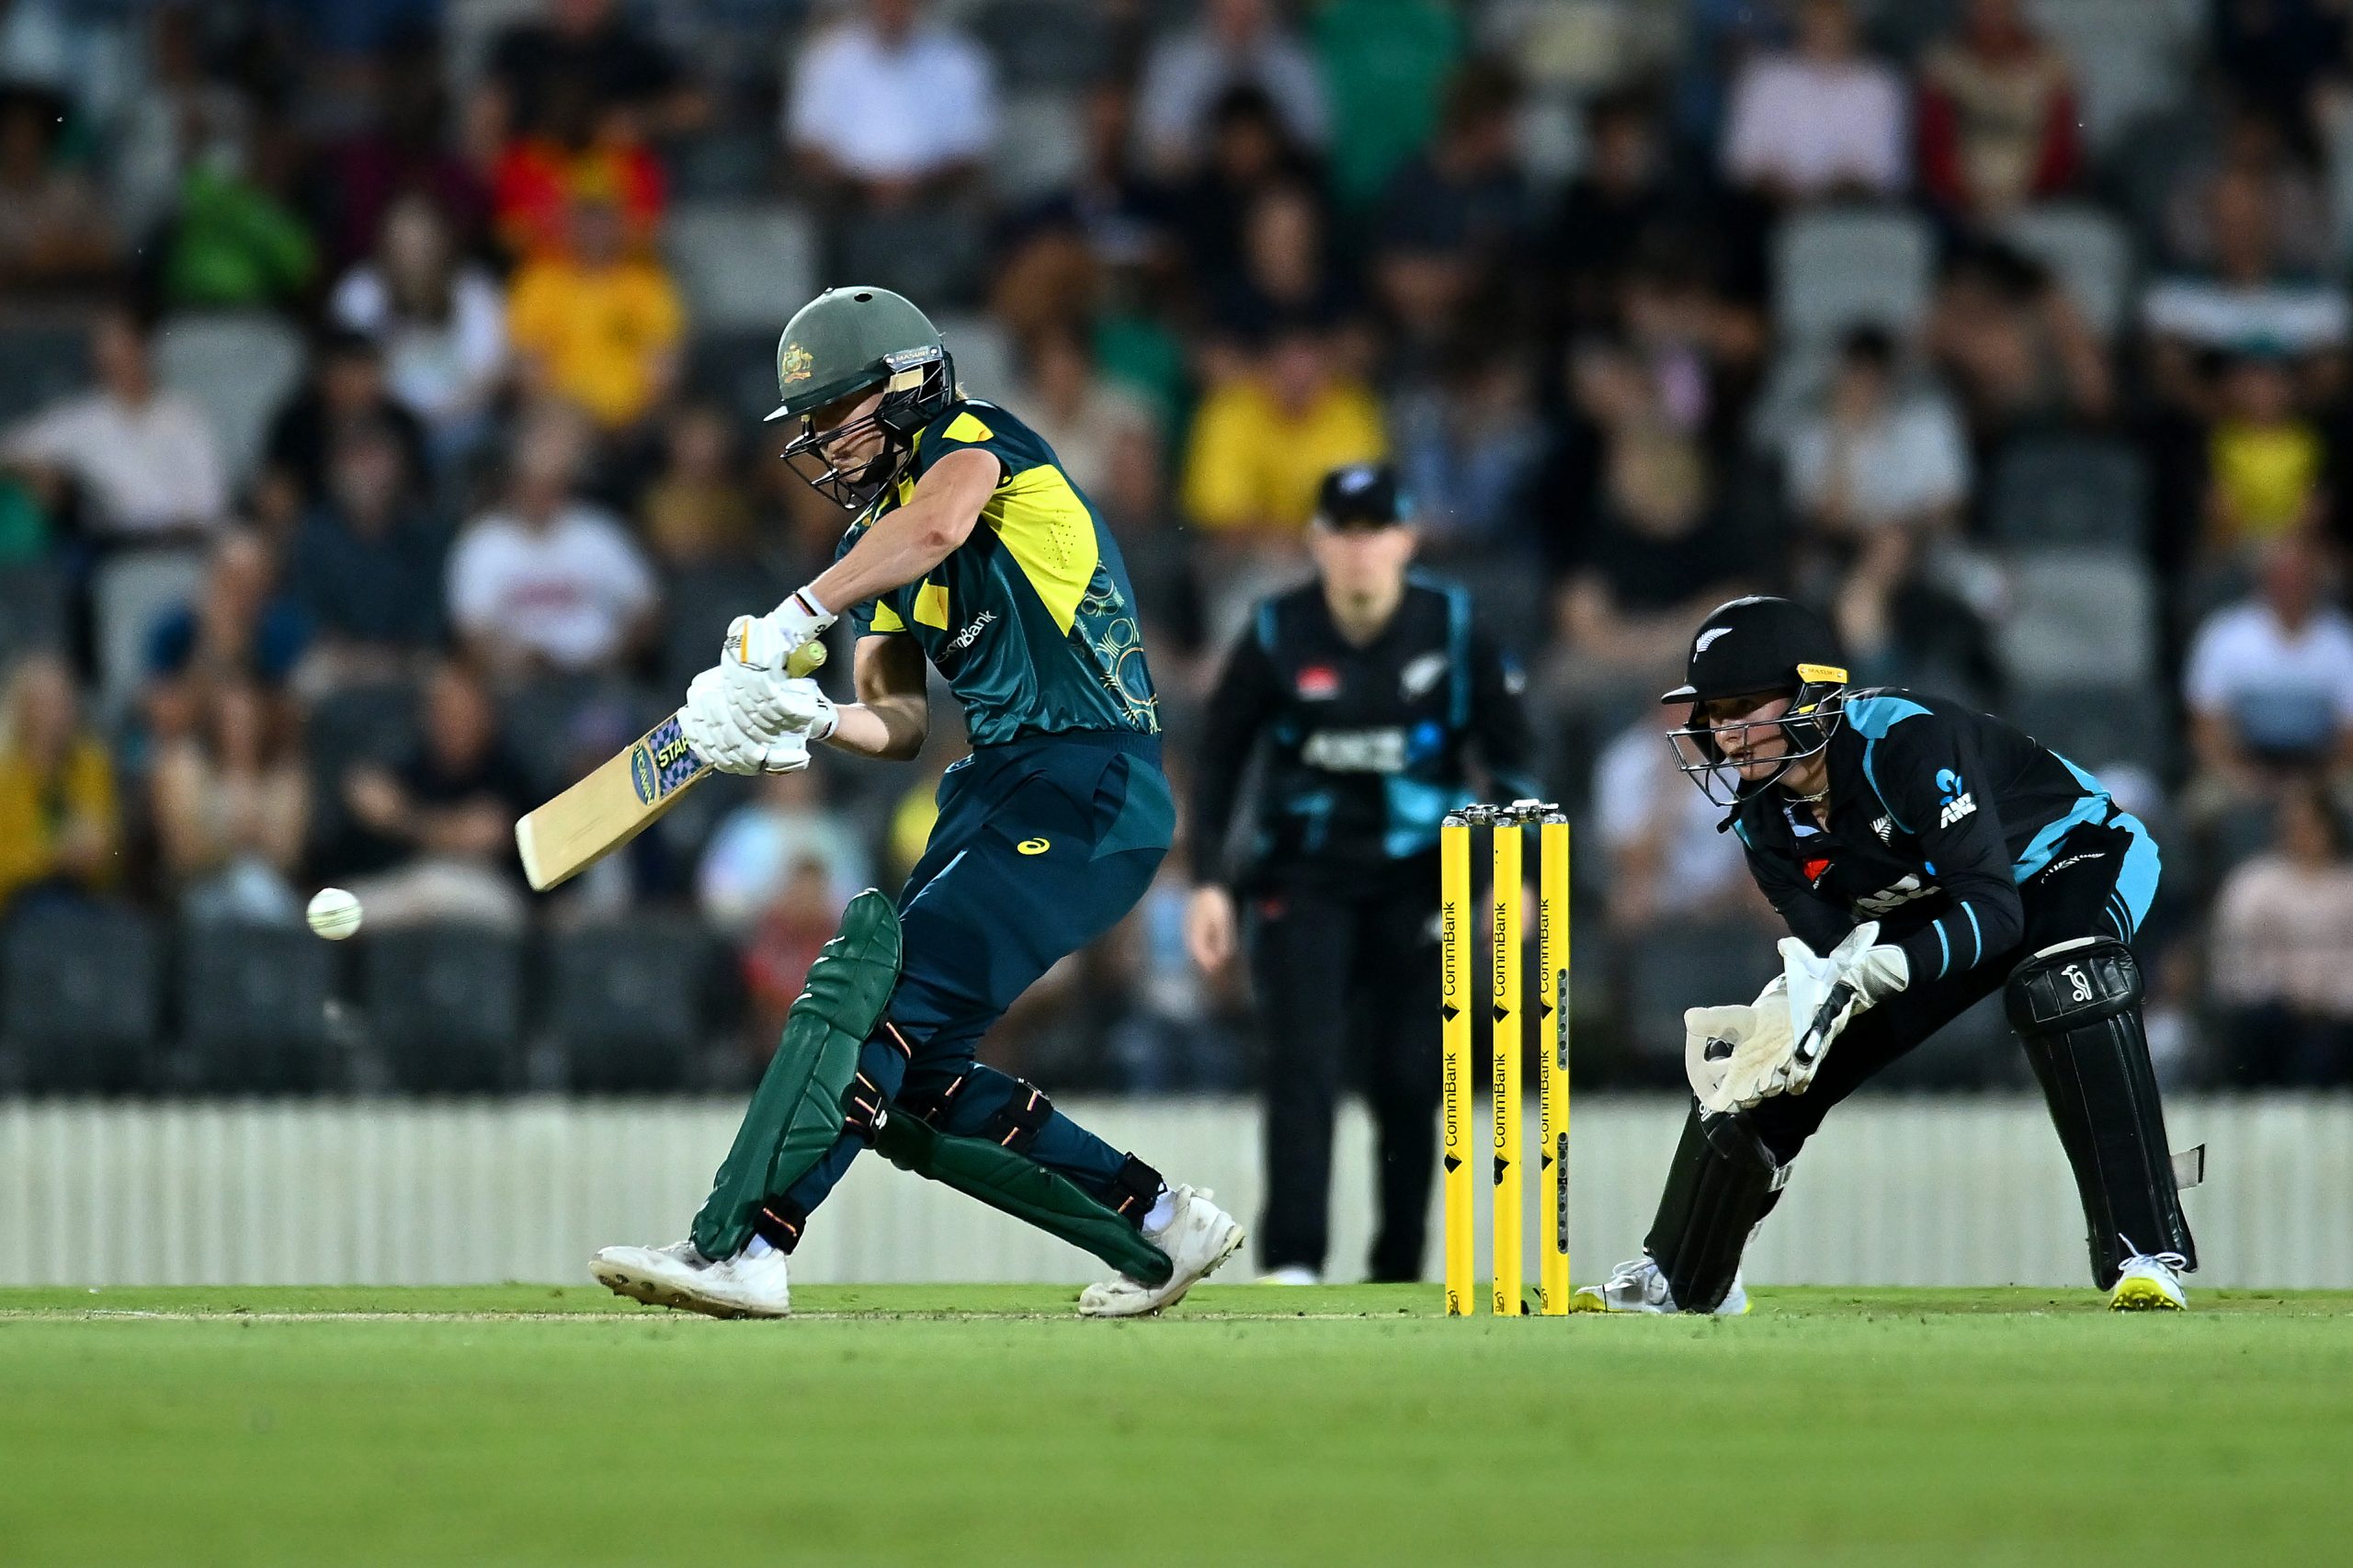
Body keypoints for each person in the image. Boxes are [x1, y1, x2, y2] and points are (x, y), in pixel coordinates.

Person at [591, 286, 1244, 1319]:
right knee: (920, 1081)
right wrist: (799, 721)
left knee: (872, 1006)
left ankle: (748, 1243)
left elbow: (940, 525)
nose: (816, 439)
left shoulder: (980, 440)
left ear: (905, 389)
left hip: (1090, 779)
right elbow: (891, 723)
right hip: (998, 786)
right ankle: (1158, 1221)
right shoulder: (875, 543)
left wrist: (799, 606)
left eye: (833, 410)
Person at [1578, 597, 2200, 1314]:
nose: (1727, 734)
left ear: (1814, 694)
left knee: (2066, 981)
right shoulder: (1762, 819)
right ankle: (1683, 1273)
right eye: (1715, 714)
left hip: (2073, 854)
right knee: (1763, 1060)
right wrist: (1795, 1008)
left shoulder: (1907, 741)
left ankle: (2145, 1251)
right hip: (1944, 898)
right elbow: (1833, 951)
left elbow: (1996, 910)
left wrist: (1880, 966)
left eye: (1746, 705)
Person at [1183, 462, 1539, 1284]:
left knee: (1413, 1077)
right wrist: (1209, 881)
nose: (1359, 549)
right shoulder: (1276, 629)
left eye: (1375, 530)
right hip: (1302, 880)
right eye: (1342, 531)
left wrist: (1508, 875)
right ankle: (1293, 1265)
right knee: (1301, 1066)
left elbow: (1516, 758)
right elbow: (1218, 760)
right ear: (1316, 542)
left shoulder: (1454, 626)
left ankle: (1398, 1268)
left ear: (1407, 539)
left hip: (1425, 882)